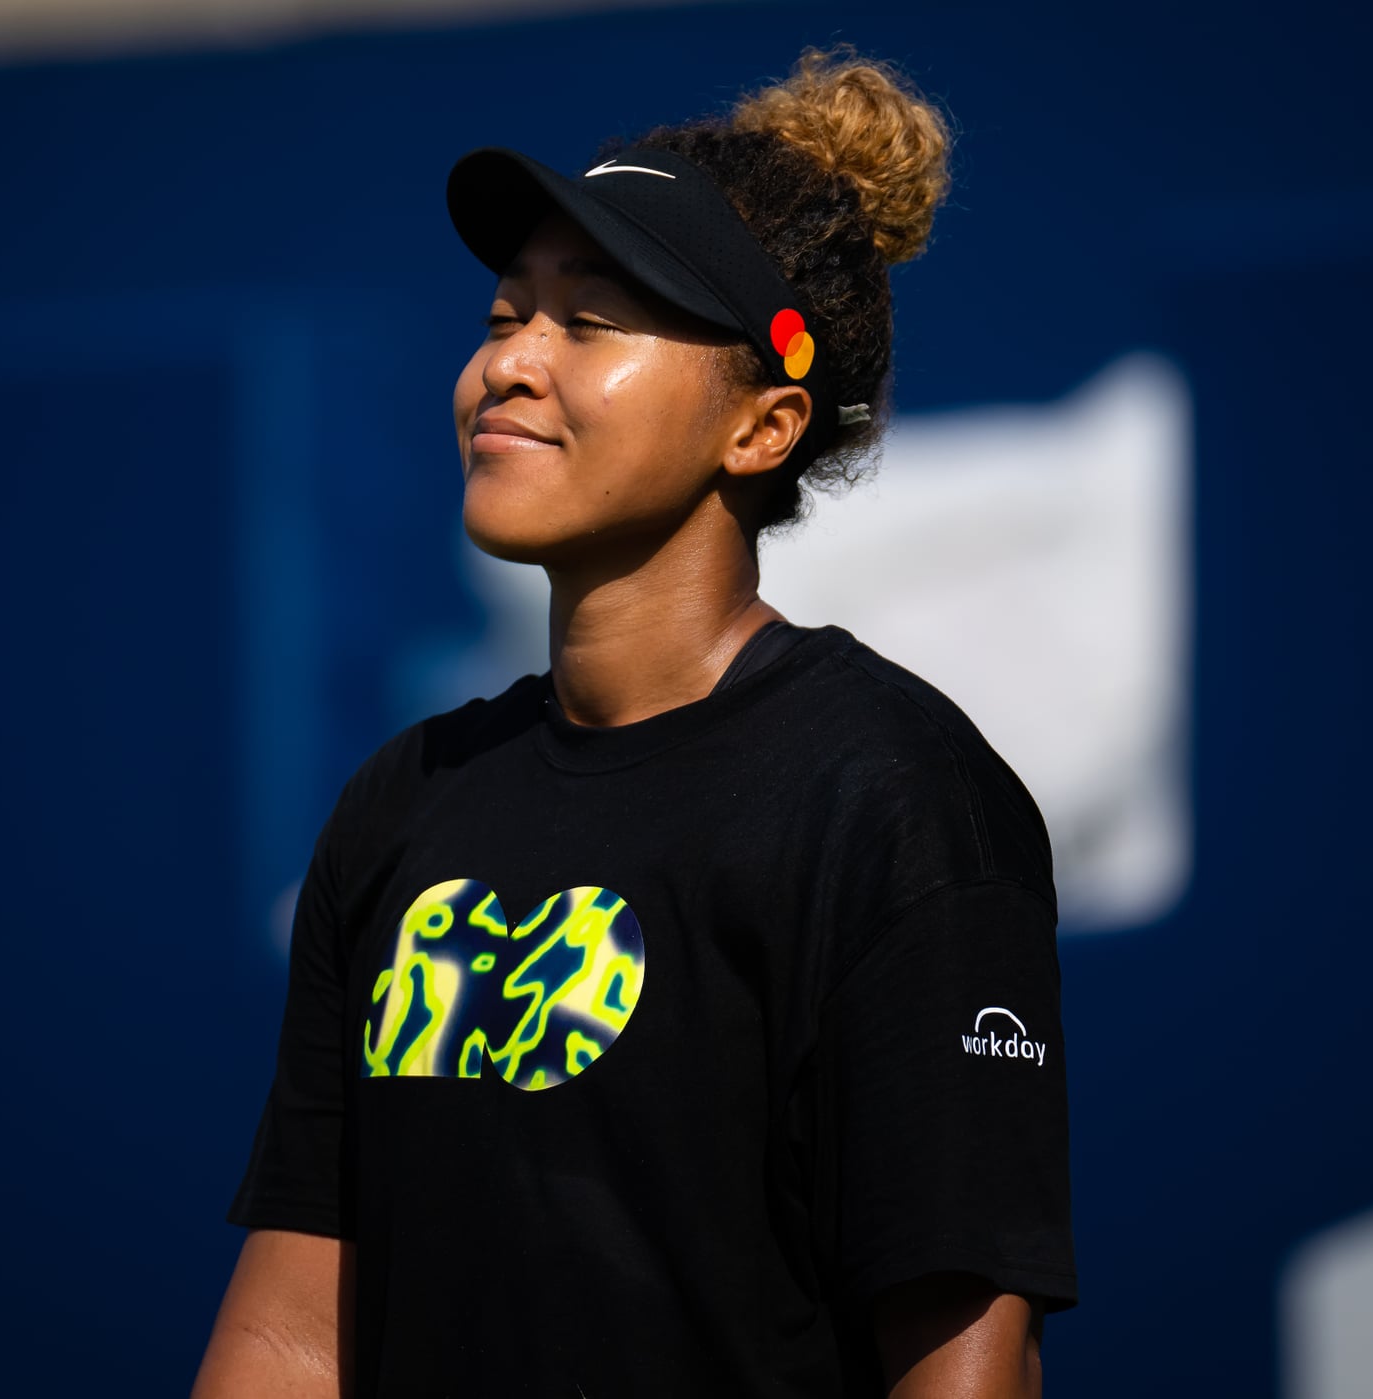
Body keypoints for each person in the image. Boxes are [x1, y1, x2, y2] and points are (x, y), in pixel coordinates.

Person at [192, 42, 1078, 1399]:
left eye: (589, 321)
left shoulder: (893, 794)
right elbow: (291, 1337)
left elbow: (965, 1359)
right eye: (503, 316)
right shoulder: (404, 800)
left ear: (764, 426)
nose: (512, 365)